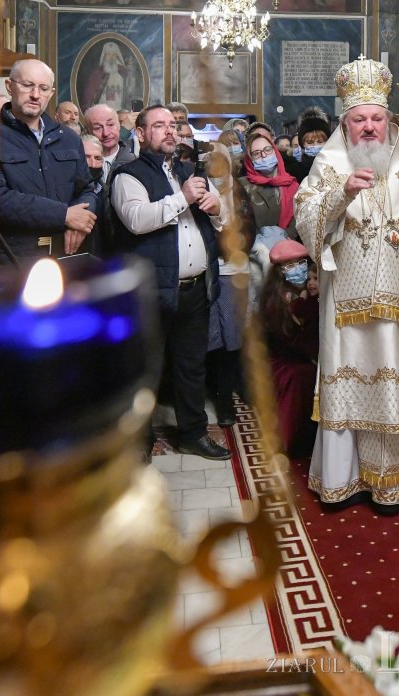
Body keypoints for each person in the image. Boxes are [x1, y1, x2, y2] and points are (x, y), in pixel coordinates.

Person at [294, 58, 399, 512]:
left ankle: (392, 484)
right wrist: (342, 192)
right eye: (359, 119)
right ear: (345, 121)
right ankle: (343, 481)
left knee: (396, 387)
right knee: (348, 384)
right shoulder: (329, 161)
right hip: (345, 306)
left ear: (388, 120)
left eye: (377, 118)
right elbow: (305, 217)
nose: (369, 127)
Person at [111, 105, 231, 461]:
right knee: (145, 371)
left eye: (173, 125)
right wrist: (184, 198)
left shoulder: (187, 172)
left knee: (191, 366)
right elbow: (136, 220)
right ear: (141, 134)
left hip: (195, 288)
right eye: (159, 125)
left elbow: (222, 222)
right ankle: (138, 442)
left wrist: (216, 210)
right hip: (152, 291)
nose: (169, 131)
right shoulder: (127, 175)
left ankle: (193, 434)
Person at [0, 58, 97, 262]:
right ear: (9, 86)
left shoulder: (69, 139)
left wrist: (82, 222)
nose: (35, 95)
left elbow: (86, 190)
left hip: (65, 253)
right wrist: (64, 215)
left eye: (43, 88)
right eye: (27, 85)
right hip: (13, 259)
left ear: (51, 93)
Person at [205, 142, 255, 426]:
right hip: (207, 271)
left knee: (233, 336)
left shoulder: (239, 191)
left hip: (234, 270)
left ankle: (230, 397)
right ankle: (219, 397)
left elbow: (248, 230)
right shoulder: (197, 188)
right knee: (213, 337)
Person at [259, 240, 319, 457]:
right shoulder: (276, 298)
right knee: (303, 376)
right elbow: (286, 339)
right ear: (280, 271)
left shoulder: (307, 290)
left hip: (302, 355)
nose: (299, 269)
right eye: (291, 265)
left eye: (302, 263)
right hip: (285, 360)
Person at [244, 132, 300, 239]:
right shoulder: (243, 186)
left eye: (267, 149)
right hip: (256, 246)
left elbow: (298, 221)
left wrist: (283, 240)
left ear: (275, 151)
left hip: (287, 244)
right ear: (250, 159)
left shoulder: (293, 185)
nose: (264, 155)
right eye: (256, 153)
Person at [84, 103, 134, 183]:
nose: (106, 133)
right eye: (98, 128)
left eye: (110, 125)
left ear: (119, 125)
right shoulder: (80, 164)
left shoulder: (134, 163)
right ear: (88, 131)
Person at [285, 106, 332, 183]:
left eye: (320, 141)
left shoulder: (336, 166)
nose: (315, 145)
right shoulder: (293, 172)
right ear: (302, 144)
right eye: (310, 142)